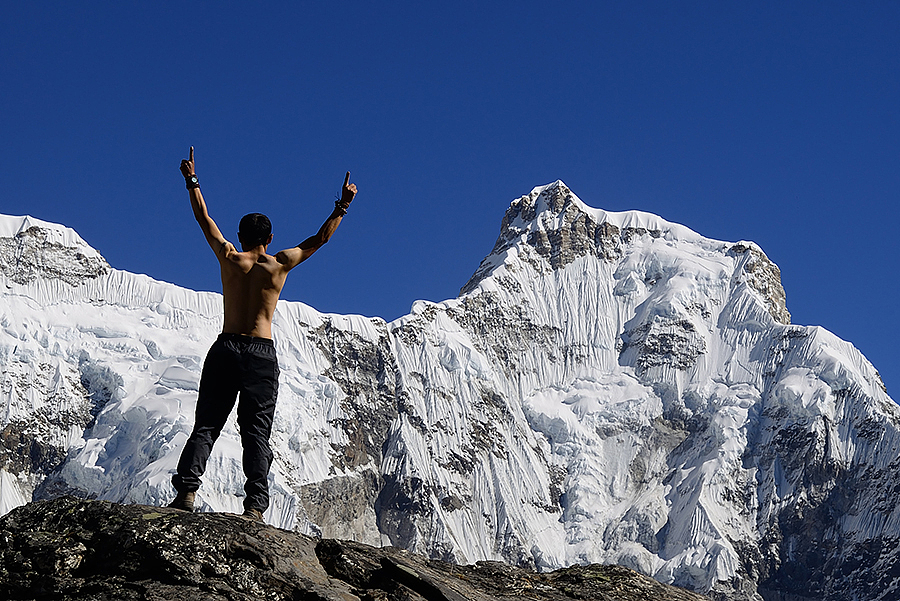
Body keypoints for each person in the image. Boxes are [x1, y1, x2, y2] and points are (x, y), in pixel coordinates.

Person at [168, 147, 357, 522]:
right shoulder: (279, 264)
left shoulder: (229, 258)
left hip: (225, 347)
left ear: (239, 236)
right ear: (270, 237)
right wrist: (342, 206)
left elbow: (204, 219)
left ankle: (187, 491)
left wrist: (192, 180)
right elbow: (318, 239)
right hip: (260, 352)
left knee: (207, 423)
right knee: (255, 432)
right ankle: (255, 506)